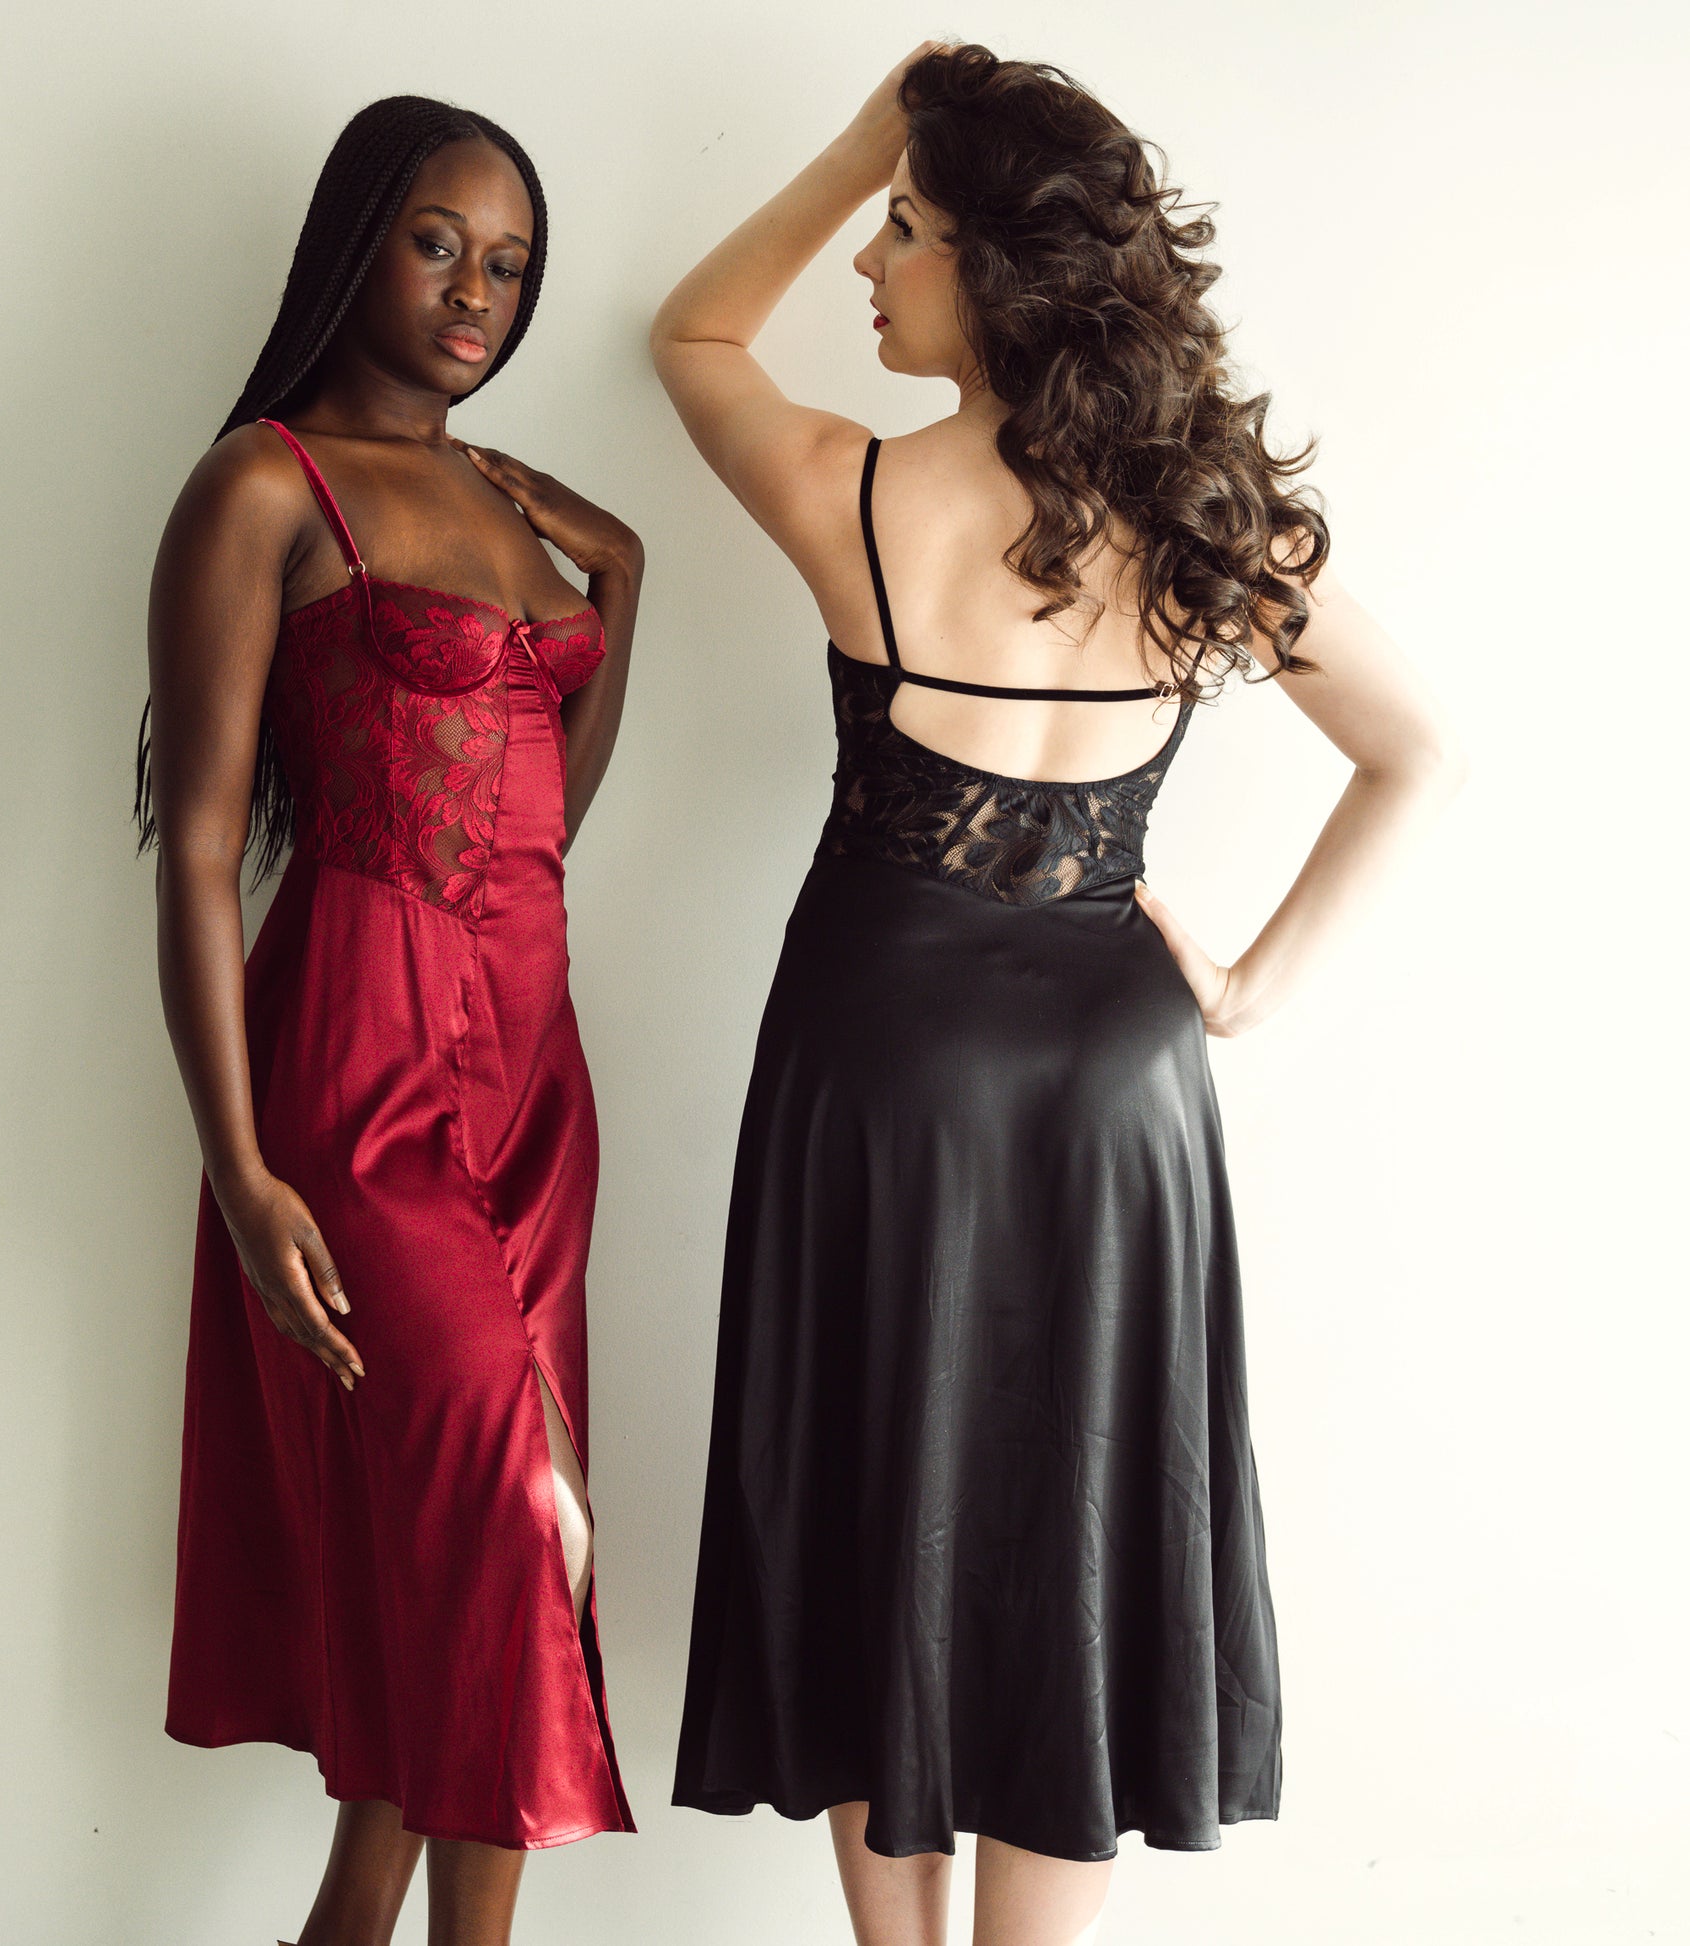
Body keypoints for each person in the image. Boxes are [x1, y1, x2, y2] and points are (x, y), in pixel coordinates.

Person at [654, 42, 1463, 1946]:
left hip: (878, 1055)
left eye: (905, 231)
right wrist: (1246, 984)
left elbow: (694, 336)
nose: (869, 264)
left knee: (876, 1503)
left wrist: (858, 126)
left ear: (992, 273)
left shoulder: (857, 495)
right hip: (1117, 1073)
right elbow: (1412, 745)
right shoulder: (1198, 521)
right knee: (1070, 1534)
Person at [136, 94, 641, 1946]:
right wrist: (243, 1166)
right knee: (520, 1533)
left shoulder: (514, 496)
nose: (475, 293)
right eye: (439, 243)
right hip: (353, 1079)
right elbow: (195, 848)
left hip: (529, 1080)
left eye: (509, 264)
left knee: (462, 1600)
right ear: (360, 239)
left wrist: (631, 592)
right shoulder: (266, 485)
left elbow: (535, 827)